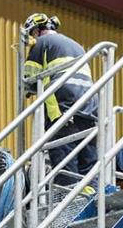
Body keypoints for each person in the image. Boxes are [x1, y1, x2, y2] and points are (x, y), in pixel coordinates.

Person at [22, 12, 97, 191]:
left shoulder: (42, 43)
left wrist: (27, 88)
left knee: (65, 166)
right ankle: (93, 202)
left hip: (63, 112)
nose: (32, 38)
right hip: (89, 110)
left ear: (38, 30)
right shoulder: (78, 47)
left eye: (32, 34)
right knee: (88, 165)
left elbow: (29, 78)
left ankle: (69, 208)